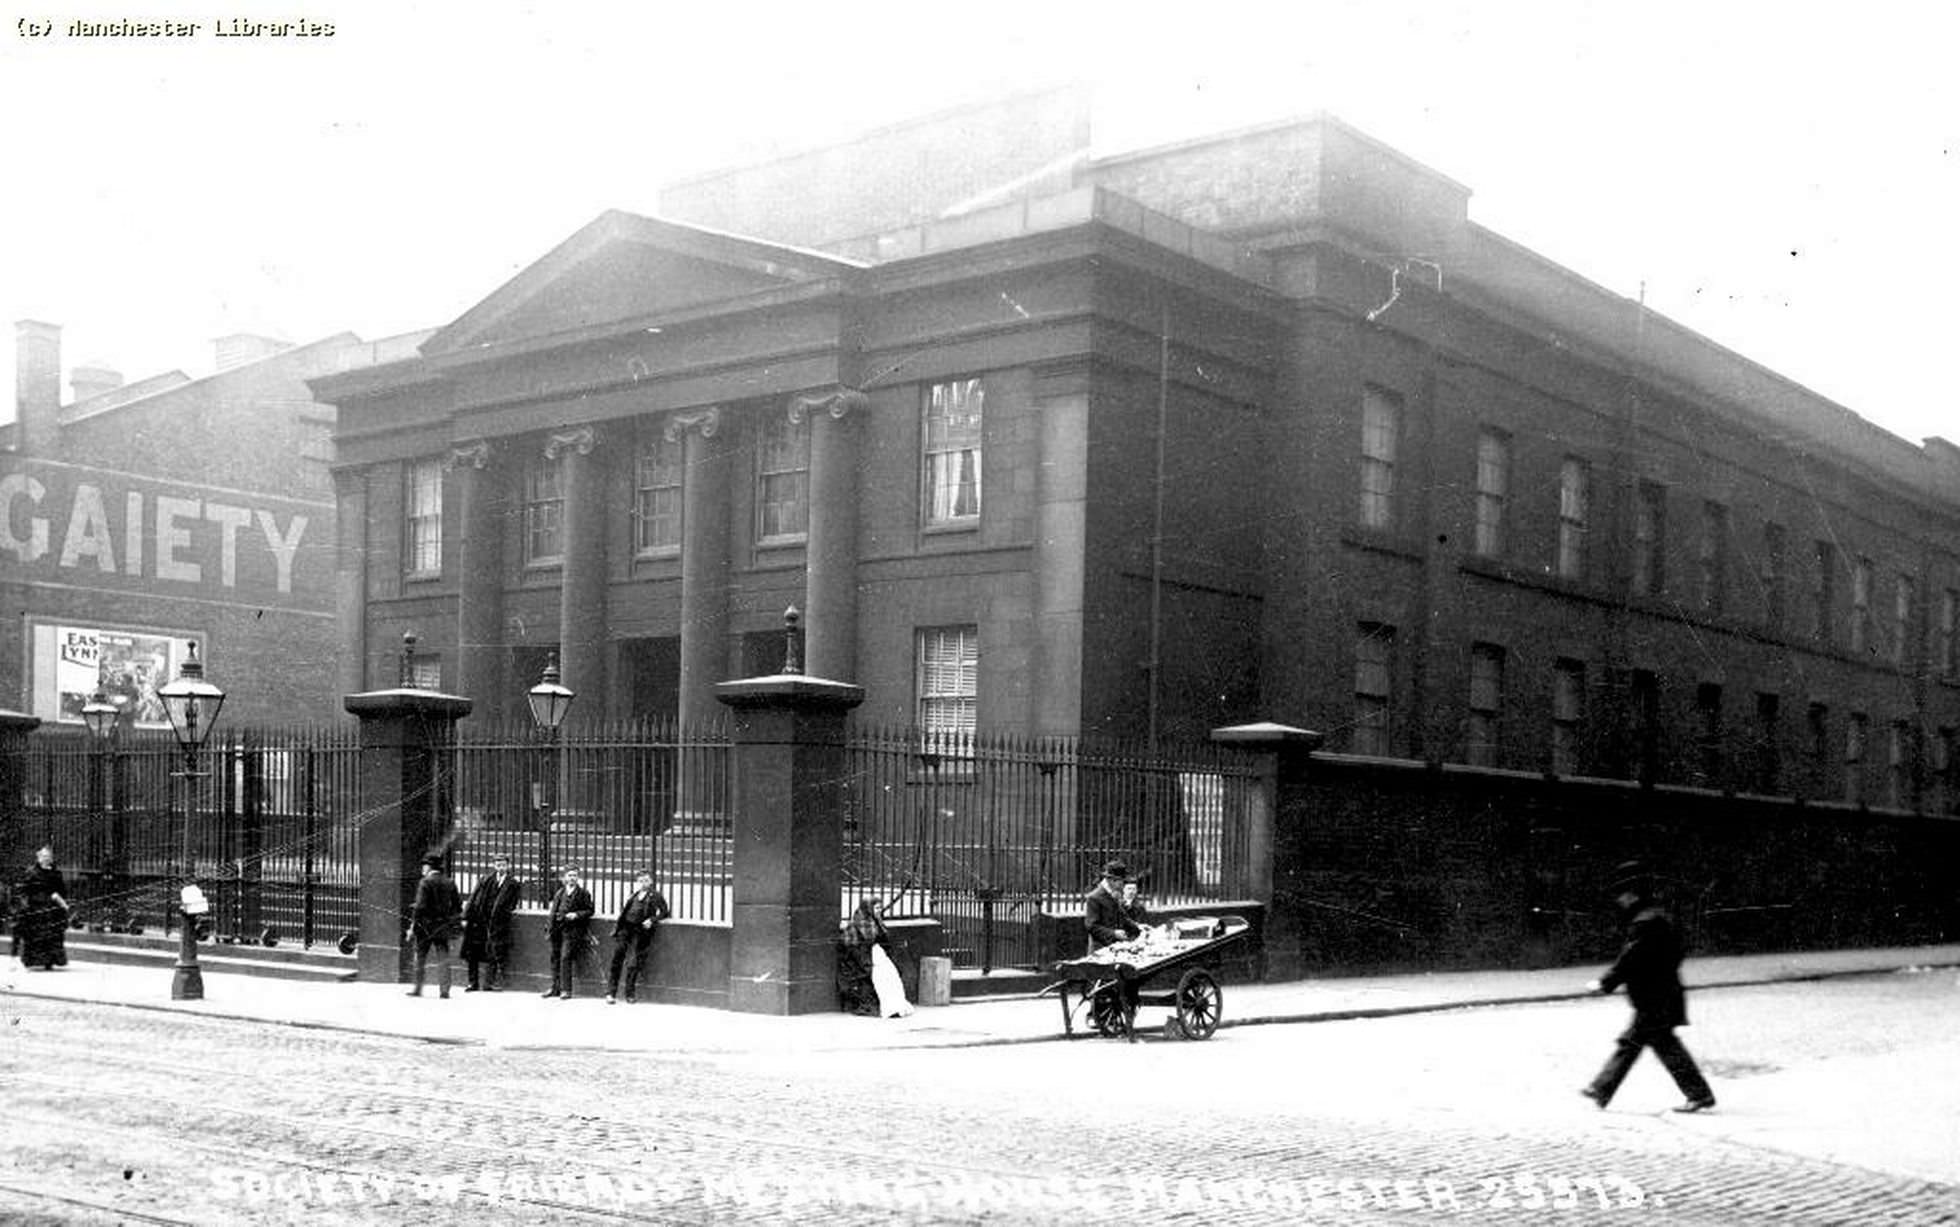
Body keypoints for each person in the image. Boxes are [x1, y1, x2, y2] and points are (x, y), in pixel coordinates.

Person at [1581, 861, 1717, 1113]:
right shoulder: (1658, 916)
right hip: (1661, 993)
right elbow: (1676, 953)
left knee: (1656, 1044)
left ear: (1631, 894)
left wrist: (1604, 982)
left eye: (1621, 895)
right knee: (1636, 1042)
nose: (1619, 901)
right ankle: (1602, 1088)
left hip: (1655, 997)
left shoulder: (1645, 922)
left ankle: (1699, 1094)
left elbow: (1630, 959)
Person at [459, 853, 523, 992]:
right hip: (479, 921)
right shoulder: (485, 879)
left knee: (493, 953)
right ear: (494, 865)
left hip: (497, 923)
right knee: (473, 953)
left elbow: (513, 903)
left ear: (508, 866)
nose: (501, 867)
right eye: (498, 864)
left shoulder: (513, 884)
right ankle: (472, 983)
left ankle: (488, 983)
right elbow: (473, 897)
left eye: (503, 865)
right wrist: (465, 917)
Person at [606, 869, 671, 1004]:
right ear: (637, 882)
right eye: (641, 881)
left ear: (651, 881)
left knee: (633, 962)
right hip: (626, 929)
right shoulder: (633, 895)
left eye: (646, 880)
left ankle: (629, 994)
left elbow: (665, 912)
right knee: (617, 958)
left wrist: (652, 920)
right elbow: (624, 912)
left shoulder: (655, 896)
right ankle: (611, 993)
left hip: (640, 931)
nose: (643, 883)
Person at [404, 855, 462, 999]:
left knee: (420, 957)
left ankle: (417, 989)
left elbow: (420, 907)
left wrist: (412, 926)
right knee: (443, 958)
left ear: (429, 867)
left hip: (424, 927)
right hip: (442, 926)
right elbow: (457, 907)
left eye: (424, 865)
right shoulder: (450, 882)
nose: (422, 868)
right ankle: (444, 991)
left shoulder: (425, 882)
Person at [837, 900, 907, 1016]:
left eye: (880, 908)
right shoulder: (859, 924)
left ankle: (894, 1006)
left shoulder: (876, 922)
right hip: (860, 960)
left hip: (873, 956)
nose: (879, 911)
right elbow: (854, 949)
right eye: (877, 908)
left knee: (891, 975)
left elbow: (884, 940)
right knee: (880, 976)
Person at [14, 845, 70, 970]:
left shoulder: (56, 873)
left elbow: (62, 890)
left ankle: (50, 961)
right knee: (36, 936)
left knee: (52, 936)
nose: (46, 859)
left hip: (52, 908)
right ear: (38, 858)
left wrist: (59, 898)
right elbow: (23, 890)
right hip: (36, 908)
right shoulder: (31, 872)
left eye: (48, 857)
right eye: (43, 856)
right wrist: (25, 904)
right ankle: (33, 960)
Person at [543, 867, 594, 1000]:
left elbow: (589, 910)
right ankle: (555, 987)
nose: (572, 878)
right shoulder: (560, 892)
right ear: (565, 877)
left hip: (572, 931)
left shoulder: (583, 893)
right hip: (557, 929)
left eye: (575, 875)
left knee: (566, 957)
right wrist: (549, 928)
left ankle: (566, 989)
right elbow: (553, 911)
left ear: (578, 878)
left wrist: (576, 914)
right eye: (570, 875)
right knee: (555, 957)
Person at [1084, 859, 1142, 953]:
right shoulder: (1094, 898)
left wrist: (1139, 927)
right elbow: (1091, 926)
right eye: (1121, 882)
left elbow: (1122, 916)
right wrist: (1113, 933)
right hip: (1100, 950)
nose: (1123, 885)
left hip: (1114, 948)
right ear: (1112, 880)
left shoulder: (1114, 894)